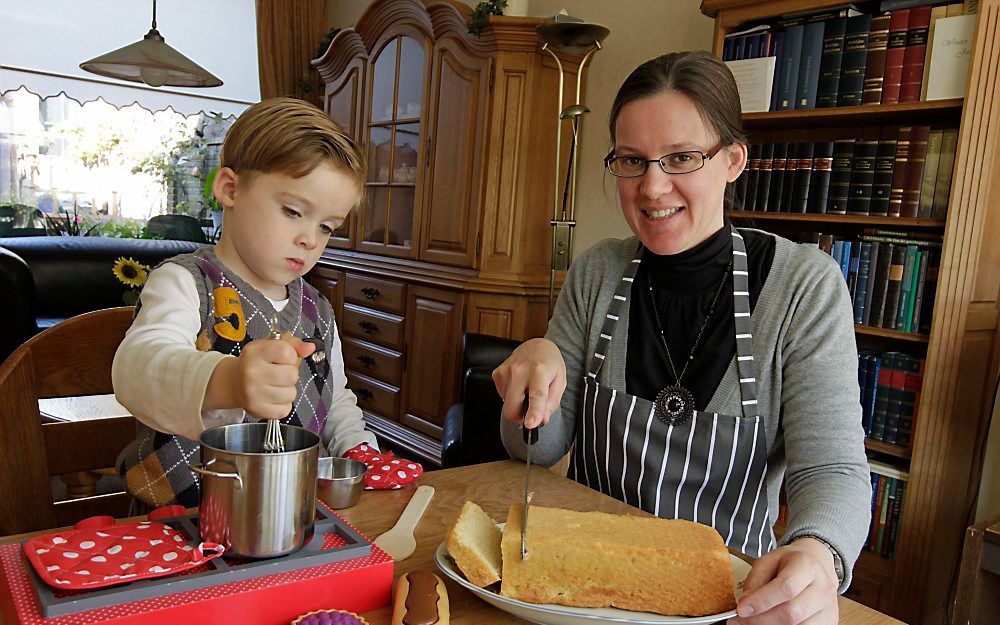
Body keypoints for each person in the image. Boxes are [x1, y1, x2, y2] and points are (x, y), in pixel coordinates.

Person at [493, 51, 871, 625]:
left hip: (725, 600)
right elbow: (535, 450)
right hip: (583, 589)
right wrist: (533, 369)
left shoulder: (802, 286)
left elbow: (832, 469)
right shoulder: (598, 273)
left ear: (733, 160)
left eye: (682, 158)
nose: (651, 186)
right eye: (631, 160)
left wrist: (818, 555)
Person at [113, 98, 420, 510]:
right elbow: (136, 367)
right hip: (180, 526)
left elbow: (336, 400)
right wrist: (229, 380)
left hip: (289, 519)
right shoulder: (186, 282)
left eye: (326, 227)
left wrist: (357, 450)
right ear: (230, 189)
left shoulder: (318, 312)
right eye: (293, 211)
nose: (310, 238)